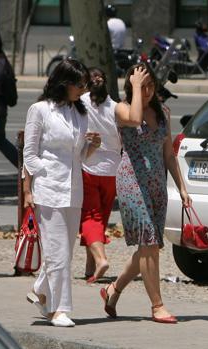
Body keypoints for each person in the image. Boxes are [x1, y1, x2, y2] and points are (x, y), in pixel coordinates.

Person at [99, 63, 191, 324]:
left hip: (156, 186)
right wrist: (136, 87)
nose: (148, 90)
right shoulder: (123, 108)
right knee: (149, 243)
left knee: (147, 247)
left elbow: (169, 155)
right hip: (132, 183)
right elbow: (136, 118)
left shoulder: (163, 112)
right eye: (143, 85)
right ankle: (157, 306)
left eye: (151, 85)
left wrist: (182, 188)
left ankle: (112, 290)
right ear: (131, 85)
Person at [23, 58, 101, 327]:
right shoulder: (40, 110)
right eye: (79, 84)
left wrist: (92, 147)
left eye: (85, 85)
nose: (83, 89)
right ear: (63, 83)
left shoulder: (80, 113)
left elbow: (81, 157)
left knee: (64, 252)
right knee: (57, 251)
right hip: (49, 189)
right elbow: (29, 154)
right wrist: (41, 175)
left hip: (73, 189)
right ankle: (60, 309)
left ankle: (41, 292)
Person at [79, 67, 121, 283]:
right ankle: (90, 265)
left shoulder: (82, 102)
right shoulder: (116, 108)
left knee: (90, 217)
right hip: (112, 170)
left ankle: (100, 259)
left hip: (89, 166)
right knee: (101, 218)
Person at [0, 25, 19, 167]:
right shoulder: (2, 59)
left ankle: (23, 167)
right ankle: (23, 167)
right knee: (0, 139)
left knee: (0, 140)